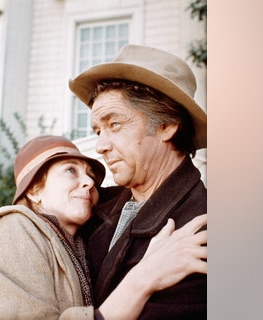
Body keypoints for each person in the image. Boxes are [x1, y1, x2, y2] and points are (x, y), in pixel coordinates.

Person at [0, 135, 208, 319]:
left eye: (90, 175)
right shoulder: (14, 227)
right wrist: (146, 275)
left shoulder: (82, 241)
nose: (89, 181)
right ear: (34, 191)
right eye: (71, 170)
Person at [69, 44, 208, 318]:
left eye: (115, 125)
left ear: (166, 125)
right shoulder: (92, 205)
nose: (100, 146)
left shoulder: (200, 231)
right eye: (98, 130)